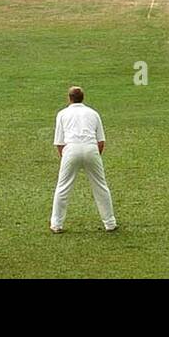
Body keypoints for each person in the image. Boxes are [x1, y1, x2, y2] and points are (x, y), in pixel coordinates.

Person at [50, 86, 118, 233]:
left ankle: (56, 224)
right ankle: (110, 223)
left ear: (69, 98)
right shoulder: (93, 113)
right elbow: (101, 142)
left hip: (71, 149)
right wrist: (94, 157)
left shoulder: (62, 114)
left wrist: (67, 158)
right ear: (83, 97)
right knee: (100, 186)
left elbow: (59, 143)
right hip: (91, 148)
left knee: (63, 188)